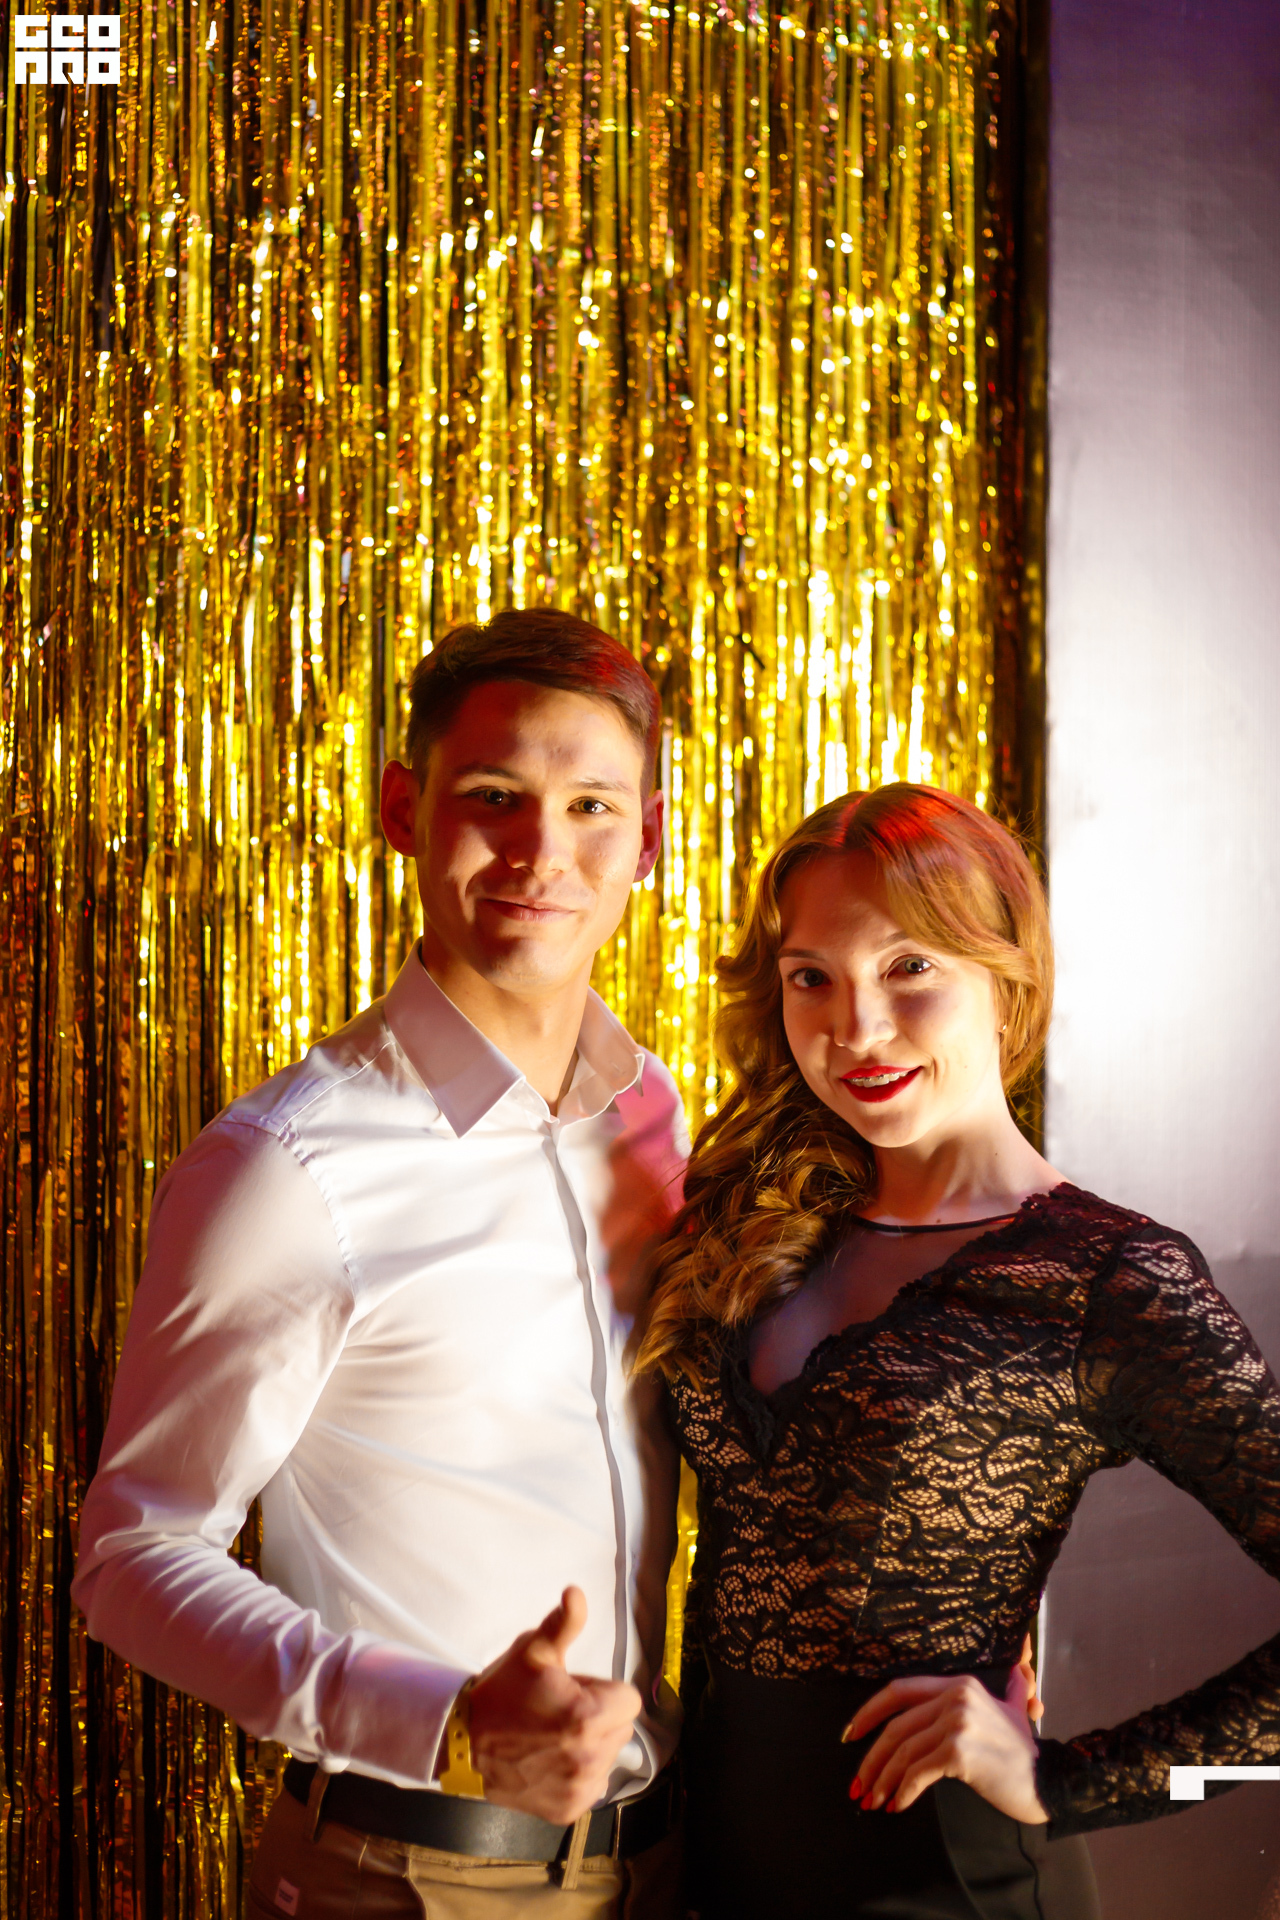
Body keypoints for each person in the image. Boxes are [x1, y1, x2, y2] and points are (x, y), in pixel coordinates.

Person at [73, 611, 691, 1919]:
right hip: (408, 1878)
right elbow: (133, 1557)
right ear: (404, 809)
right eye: (494, 797)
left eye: (590, 807)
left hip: (662, 1868)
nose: (541, 852)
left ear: (648, 840)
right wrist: (446, 1720)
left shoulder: (653, 1117)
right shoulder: (286, 1167)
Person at [634, 782, 1280, 1920]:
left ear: (1006, 976)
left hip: (956, 1886)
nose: (855, 1028)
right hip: (712, 1879)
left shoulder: (1105, 1277)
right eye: (811, 977)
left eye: (908, 969)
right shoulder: (747, 1231)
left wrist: (1072, 1786)